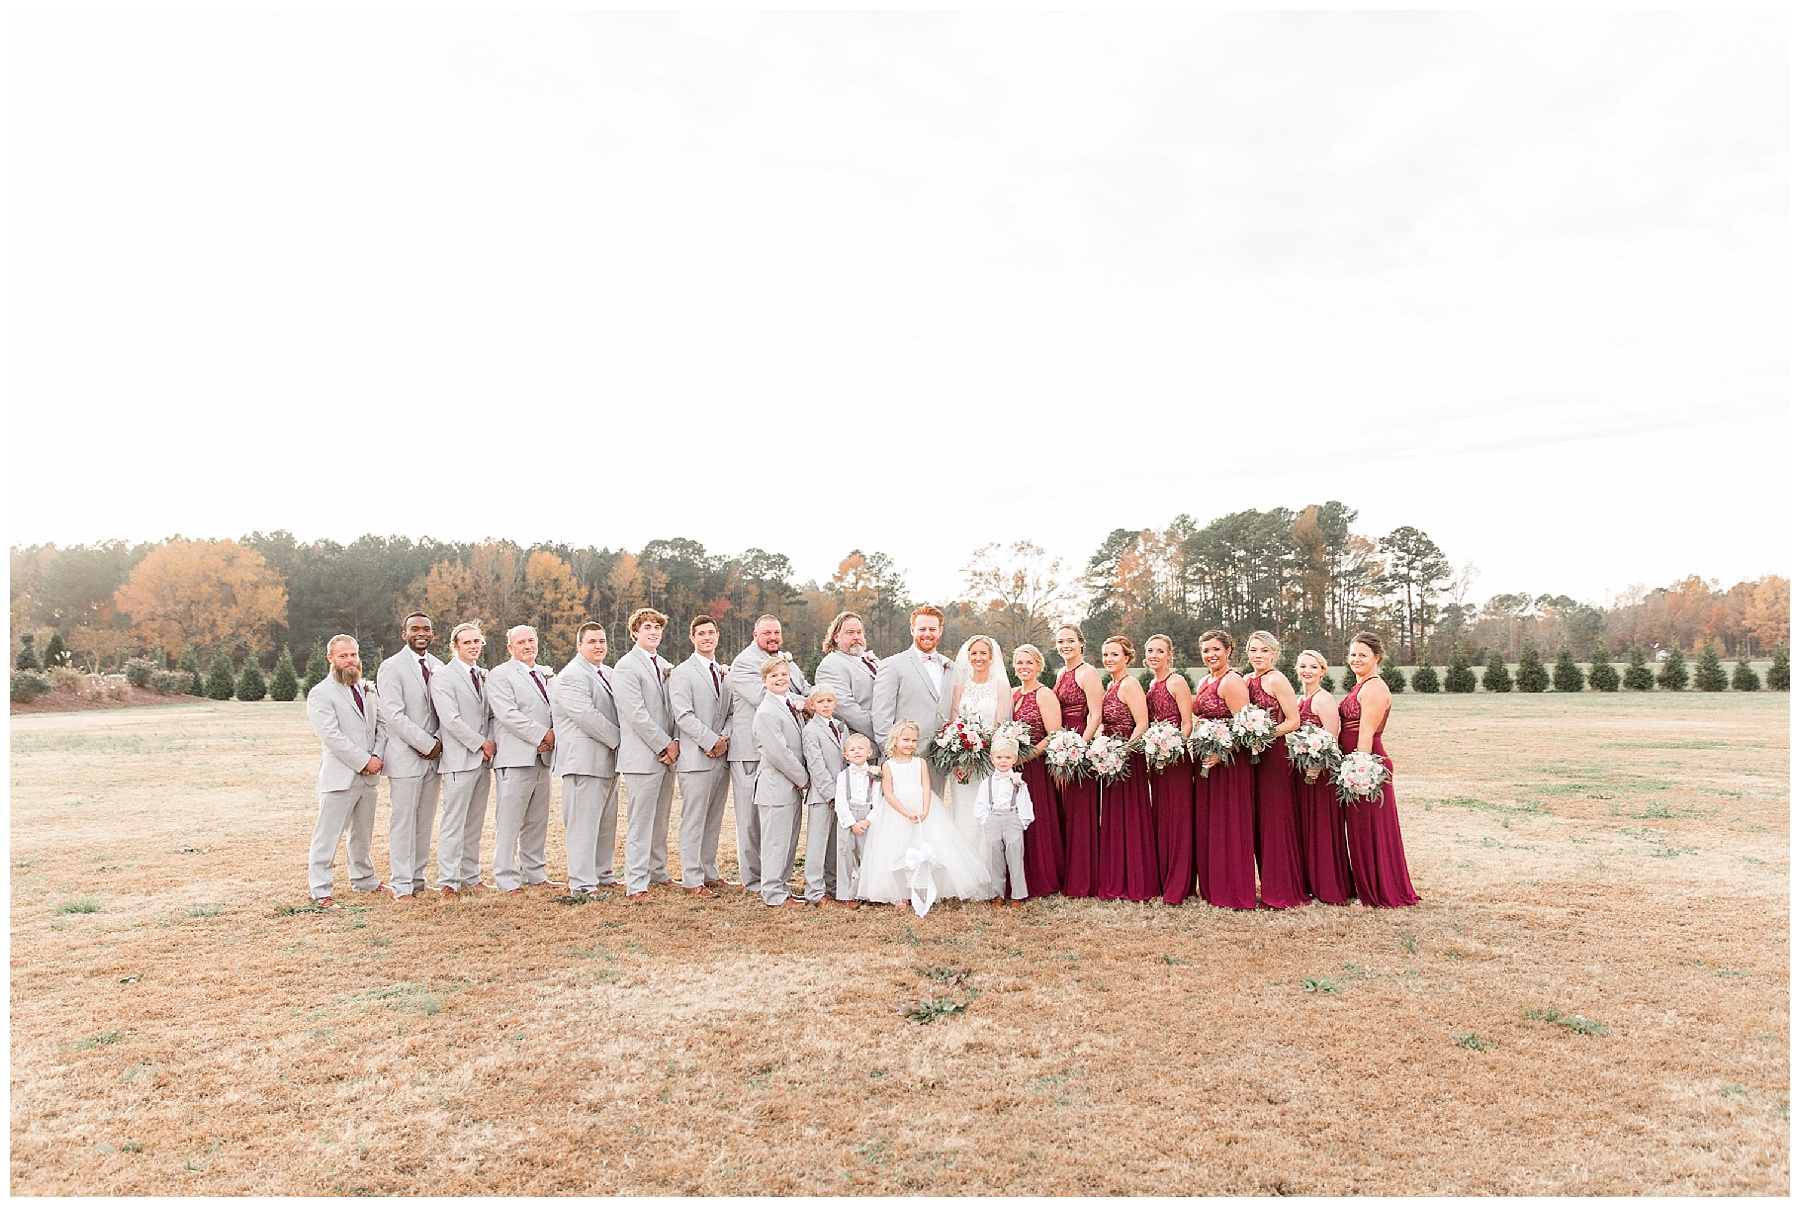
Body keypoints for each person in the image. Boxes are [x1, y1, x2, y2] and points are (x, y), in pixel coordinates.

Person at [857, 719, 993, 911]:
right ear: (895, 740)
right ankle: (901, 893)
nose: (910, 744)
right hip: (898, 812)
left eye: (914, 740)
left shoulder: (920, 762)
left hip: (923, 808)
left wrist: (925, 810)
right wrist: (906, 813)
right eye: (905, 740)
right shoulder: (888, 765)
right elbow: (888, 793)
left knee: (925, 846)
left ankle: (924, 888)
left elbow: (926, 787)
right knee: (898, 850)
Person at [726, 615, 811, 892]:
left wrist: (817, 700)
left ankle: (774, 878)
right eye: (767, 633)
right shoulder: (743, 663)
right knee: (750, 820)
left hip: (781, 751)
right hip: (751, 752)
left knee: (777, 820)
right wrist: (806, 704)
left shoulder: (787, 662)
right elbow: (765, 697)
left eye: (776, 632)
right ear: (755, 635)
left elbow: (803, 689)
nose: (773, 637)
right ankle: (754, 879)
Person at [1339, 632, 1421, 908]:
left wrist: (1359, 770)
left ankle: (1379, 890)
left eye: (1362, 655)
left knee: (1371, 830)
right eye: (1353, 654)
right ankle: (1366, 886)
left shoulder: (1374, 687)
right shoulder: (1360, 685)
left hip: (1368, 766)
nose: (1356, 659)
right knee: (1360, 830)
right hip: (1355, 763)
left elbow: (1366, 733)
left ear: (1376, 658)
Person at [305, 634, 386, 909]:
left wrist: (377, 756)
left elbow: (382, 726)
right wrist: (364, 761)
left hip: (369, 777)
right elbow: (332, 736)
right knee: (327, 835)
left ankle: (364, 880)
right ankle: (320, 890)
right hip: (340, 777)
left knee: (362, 834)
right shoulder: (321, 693)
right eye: (343, 656)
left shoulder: (368, 689)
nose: (350, 660)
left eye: (353, 655)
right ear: (331, 659)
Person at [376, 612, 444, 901]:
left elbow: (444, 709)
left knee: (425, 821)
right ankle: (401, 884)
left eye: (426, 629)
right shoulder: (391, 667)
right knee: (403, 822)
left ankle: (418, 878)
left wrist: (438, 740)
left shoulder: (439, 666)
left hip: (434, 756)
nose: (421, 633)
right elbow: (393, 714)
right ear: (404, 634)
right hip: (406, 757)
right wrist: (425, 743)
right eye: (415, 629)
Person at [552, 622, 622, 896]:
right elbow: (587, 716)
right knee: (583, 825)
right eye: (592, 641)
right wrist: (620, 741)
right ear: (579, 645)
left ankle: (603, 873)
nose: (598, 646)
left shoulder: (607, 673)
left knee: (605, 823)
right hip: (584, 761)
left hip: (607, 761)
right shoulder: (571, 676)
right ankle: (582, 882)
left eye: (602, 641)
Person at [486, 625, 558, 894]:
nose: (527, 646)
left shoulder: (545, 674)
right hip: (516, 757)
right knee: (510, 820)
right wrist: (542, 734)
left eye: (531, 641)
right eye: (521, 642)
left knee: (537, 819)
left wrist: (554, 736)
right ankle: (505, 876)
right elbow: (507, 714)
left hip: (543, 758)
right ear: (510, 647)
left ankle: (534, 872)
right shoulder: (500, 675)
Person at [615, 607, 679, 902]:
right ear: (635, 633)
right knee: (640, 822)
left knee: (660, 819)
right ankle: (636, 883)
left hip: (667, 756)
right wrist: (664, 744)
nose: (653, 632)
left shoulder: (664, 665)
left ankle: (657, 872)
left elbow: (673, 710)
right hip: (643, 756)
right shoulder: (626, 666)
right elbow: (635, 714)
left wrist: (674, 742)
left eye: (657, 627)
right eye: (647, 627)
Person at [668, 615, 732, 897]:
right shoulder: (683, 672)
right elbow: (683, 715)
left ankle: (709, 872)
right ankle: (692, 879)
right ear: (692, 638)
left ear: (717, 636)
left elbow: (732, 712)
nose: (707, 638)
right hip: (696, 758)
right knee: (694, 820)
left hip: (721, 756)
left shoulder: (724, 673)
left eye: (711, 633)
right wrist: (710, 741)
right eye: (701, 634)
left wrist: (724, 739)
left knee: (714, 818)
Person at [1244, 630, 1309, 909]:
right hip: (1251, 757)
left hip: (1274, 757)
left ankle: (1282, 887)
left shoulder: (1277, 679)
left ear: (1274, 654)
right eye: (1254, 650)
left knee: (1275, 820)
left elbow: (1294, 721)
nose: (1258, 655)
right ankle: (1264, 880)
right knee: (1256, 820)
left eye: (1264, 651)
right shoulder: (1246, 680)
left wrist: (1264, 734)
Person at [431, 622, 496, 898]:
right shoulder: (443, 677)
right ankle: (448, 880)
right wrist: (481, 743)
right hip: (460, 759)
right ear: (455, 646)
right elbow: (450, 720)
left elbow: (490, 715)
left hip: (482, 761)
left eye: (476, 641)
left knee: (474, 822)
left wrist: (488, 744)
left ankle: (471, 875)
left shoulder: (482, 675)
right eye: (467, 642)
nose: (473, 646)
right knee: (453, 822)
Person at [1194, 629, 1254, 909]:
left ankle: (1233, 889)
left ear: (1228, 651)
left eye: (1216, 649)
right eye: (1206, 650)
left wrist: (1222, 752)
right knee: (1211, 823)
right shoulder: (1205, 680)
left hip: (1229, 763)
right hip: (1207, 760)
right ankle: (1213, 885)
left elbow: (1244, 727)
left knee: (1228, 822)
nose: (1211, 655)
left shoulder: (1232, 681)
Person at [1095, 635, 1156, 902]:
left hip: (1128, 760)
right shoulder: (1111, 685)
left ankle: (1136, 881)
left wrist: (1123, 752)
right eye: (1106, 655)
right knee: (1114, 817)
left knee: (1130, 816)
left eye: (1115, 655)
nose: (1109, 659)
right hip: (1111, 759)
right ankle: (1116, 876)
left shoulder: (1130, 684)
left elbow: (1142, 723)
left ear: (1127, 658)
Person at [872, 606, 958, 793]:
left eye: (932, 629)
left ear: (940, 631)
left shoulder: (951, 667)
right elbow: (881, 716)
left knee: (934, 808)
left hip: (940, 760)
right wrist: (894, 757)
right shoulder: (892, 665)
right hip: (904, 760)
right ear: (912, 630)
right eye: (922, 629)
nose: (927, 634)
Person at [1293, 649, 1354, 906]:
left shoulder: (1323, 699)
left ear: (1322, 671)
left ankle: (1329, 883)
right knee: (1306, 826)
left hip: (1321, 773)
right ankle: (1310, 881)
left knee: (1322, 826)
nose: (1307, 671)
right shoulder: (1299, 700)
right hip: (1303, 772)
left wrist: (1318, 764)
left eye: (1313, 667)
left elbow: (1332, 738)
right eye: (1303, 666)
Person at [750, 656, 811, 908]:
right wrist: (803, 779)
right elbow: (779, 753)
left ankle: (782, 888)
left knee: (788, 840)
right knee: (776, 841)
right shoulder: (766, 712)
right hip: (776, 787)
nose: (780, 679)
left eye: (784, 675)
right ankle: (773, 893)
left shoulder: (788, 703)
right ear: (764, 681)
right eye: (774, 676)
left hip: (789, 788)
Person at [945, 634, 1013, 850]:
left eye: (983, 653)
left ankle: (988, 865)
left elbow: (1000, 727)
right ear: (968, 657)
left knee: (987, 814)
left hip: (987, 764)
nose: (978, 657)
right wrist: (958, 762)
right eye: (974, 653)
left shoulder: (1001, 688)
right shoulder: (960, 688)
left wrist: (978, 758)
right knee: (964, 813)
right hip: (962, 765)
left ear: (991, 657)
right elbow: (953, 726)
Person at [1143, 633, 1196, 906]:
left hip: (1175, 760)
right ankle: (1163, 878)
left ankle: (1179, 883)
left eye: (1160, 651)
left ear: (1169, 655)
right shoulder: (1152, 684)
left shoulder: (1177, 682)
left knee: (1178, 819)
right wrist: (1155, 752)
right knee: (1161, 817)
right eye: (1150, 650)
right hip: (1157, 759)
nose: (1154, 655)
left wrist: (1172, 748)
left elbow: (1187, 723)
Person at [1052, 624, 1104, 897]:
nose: (1065, 646)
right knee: (1066, 810)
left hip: (1080, 745)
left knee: (1081, 813)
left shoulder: (1087, 672)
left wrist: (1079, 747)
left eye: (1070, 640)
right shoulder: (1061, 673)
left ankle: (1085, 879)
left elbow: (1096, 715)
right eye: (1061, 641)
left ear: (1081, 643)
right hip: (1062, 744)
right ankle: (1067, 874)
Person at [1010, 644, 1064, 898]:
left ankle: (1041, 877)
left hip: (1036, 768)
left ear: (1039, 666)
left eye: (1029, 662)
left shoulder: (1045, 694)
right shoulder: (1012, 694)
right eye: (1020, 662)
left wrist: (1026, 756)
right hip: (1013, 768)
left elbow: (1053, 734)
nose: (1024, 667)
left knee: (1036, 819)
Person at [800, 686, 848, 906]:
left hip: (841, 794)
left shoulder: (841, 726)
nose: (826, 705)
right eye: (820, 702)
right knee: (817, 845)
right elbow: (816, 765)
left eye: (829, 700)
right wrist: (831, 794)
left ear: (835, 703)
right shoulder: (811, 730)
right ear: (812, 705)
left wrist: (845, 792)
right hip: (822, 796)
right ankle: (814, 891)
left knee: (834, 845)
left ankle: (833, 887)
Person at [973, 738, 1034, 907]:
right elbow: (980, 805)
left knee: (1015, 856)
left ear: (1014, 759)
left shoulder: (1019, 783)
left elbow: (1025, 803)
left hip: (1012, 818)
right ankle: (997, 894)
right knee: (994, 858)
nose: (1003, 761)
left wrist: (1021, 822)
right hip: (993, 818)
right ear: (992, 759)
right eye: (999, 757)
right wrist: (986, 820)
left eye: (1008, 758)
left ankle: (1017, 895)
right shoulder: (987, 783)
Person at [813, 611, 879, 750]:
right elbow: (847, 710)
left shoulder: (871, 660)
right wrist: (886, 734)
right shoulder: (830, 666)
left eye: (859, 632)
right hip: (861, 749)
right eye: (850, 632)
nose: (856, 637)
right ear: (836, 637)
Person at [832, 733, 879, 907]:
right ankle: (845, 894)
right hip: (848, 818)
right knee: (844, 854)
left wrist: (867, 821)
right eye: (852, 750)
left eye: (861, 748)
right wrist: (852, 823)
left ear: (869, 752)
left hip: (867, 816)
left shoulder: (875, 775)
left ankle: (867, 891)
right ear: (846, 755)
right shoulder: (842, 776)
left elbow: (878, 800)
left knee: (868, 855)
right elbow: (841, 802)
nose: (857, 752)